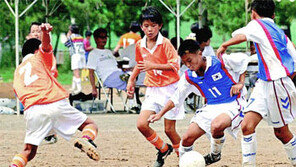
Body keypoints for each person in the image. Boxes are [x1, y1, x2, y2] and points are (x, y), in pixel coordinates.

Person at [216, 0, 296, 166]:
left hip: (276, 83)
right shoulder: (280, 32)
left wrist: (224, 45)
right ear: (273, 15)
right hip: (265, 82)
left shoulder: (257, 24)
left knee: (281, 132)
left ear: (253, 13)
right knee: (247, 126)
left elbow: (242, 36)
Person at [10, 23, 100, 167]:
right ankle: (86, 139)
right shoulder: (39, 57)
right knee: (90, 125)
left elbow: (19, 94)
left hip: (33, 109)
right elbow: (45, 47)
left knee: (28, 151)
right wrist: (46, 33)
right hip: (55, 101)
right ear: (36, 50)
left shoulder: (17, 72)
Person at [148, 39, 248, 165]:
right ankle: (184, 164)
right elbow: (176, 98)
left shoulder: (220, 61)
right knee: (186, 139)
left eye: (189, 60)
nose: (188, 65)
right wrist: (159, 114)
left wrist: (240, 83)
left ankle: (214, 155)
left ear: (200, 53)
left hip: (233, 103)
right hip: (210, 107)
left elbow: (244, 60)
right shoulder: (189, 76)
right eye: (185, 63)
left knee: (216, 126)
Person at [126, 6, 184, 167]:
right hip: (152, 89)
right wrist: (131, 80)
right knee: (141, 124)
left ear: (160, 26)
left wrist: (154, 65)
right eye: (146, 26)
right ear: (141, 27)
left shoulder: (165, 43)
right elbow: (140, 64)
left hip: (170, 89)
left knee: (169, 130)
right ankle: (163, 149)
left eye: (153, 25)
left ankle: (184, 160)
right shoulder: (140, 44)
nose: (149, 29)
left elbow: (175, 65)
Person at [87, 28, 130, 97]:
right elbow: (91, 72)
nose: (104, 39)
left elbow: (117, 66)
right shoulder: (93, 54)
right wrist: (93, 88)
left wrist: (125, 68)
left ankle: (134, 102)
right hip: (108, 77)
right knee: (130, 79)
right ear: (96, 39)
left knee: (133, 75)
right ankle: (133, 101)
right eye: (102, 37)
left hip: (118, 74)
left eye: (105, 37)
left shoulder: (109, 52)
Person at [65, 24, 86, 94]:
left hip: (75, 55)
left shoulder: (71, 37)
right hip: (82, 54)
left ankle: (79, 88)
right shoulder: (81, 37)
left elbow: (67, 44)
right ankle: (74, 87)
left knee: (76, 71)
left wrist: (67, 37)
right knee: (76, 71)